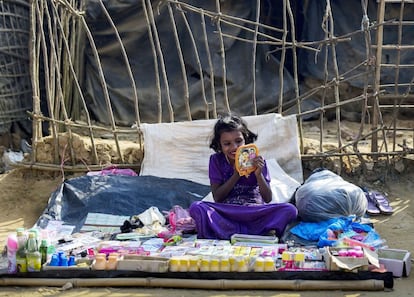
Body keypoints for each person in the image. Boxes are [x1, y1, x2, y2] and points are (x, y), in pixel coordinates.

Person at [189, 113, 298, 240]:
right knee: (197, 207)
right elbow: (217, 197)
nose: (234, 147)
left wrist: (258, 175)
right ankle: (253, 233)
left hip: (254, 212)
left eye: (238, 141)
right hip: (228, 213)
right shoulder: (216, 160)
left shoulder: (257, 160)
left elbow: (267, 198)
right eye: (227, 143)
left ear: (245, 139)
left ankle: (229, 232)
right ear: (220, 145)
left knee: (289, 210)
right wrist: (236, 174)